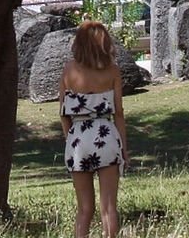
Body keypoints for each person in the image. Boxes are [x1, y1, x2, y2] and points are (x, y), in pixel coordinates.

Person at [60, 20, 128, 238]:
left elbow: (63, 112)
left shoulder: (69, 70)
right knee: (108, 207)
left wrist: (69, 139)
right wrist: (124, 148)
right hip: (106, 134)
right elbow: (119, 112)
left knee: (84, 209)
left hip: (78, 135)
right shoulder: (113, 71)